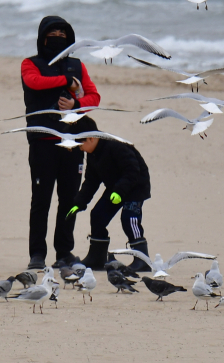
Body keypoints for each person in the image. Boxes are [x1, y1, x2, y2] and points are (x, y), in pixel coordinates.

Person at [21, 16, 101, 270]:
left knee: (69, 200)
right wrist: (65, 82)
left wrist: (76, 104)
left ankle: (64, 252)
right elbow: (34, 82)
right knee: (41, 200)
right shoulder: (30, 64)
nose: (58, 36)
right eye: (53, 32)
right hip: (42, 142)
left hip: (72, 142)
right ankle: (37, 255)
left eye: (62, 33)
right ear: (42, 37)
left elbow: (94, 97)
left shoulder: (77, 66)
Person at [66, 117, 152, 271]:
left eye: (80, 144)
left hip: (136, 186)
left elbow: (133, 170)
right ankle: (97, 257)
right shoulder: (93, 154)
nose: (80, 149)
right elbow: (91, 181)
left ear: (91, 138)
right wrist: (78, 203)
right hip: (116, 187)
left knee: (129, 218)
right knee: (98, 215)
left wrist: (119, 191)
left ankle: (142, 259)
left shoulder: (116, 146)